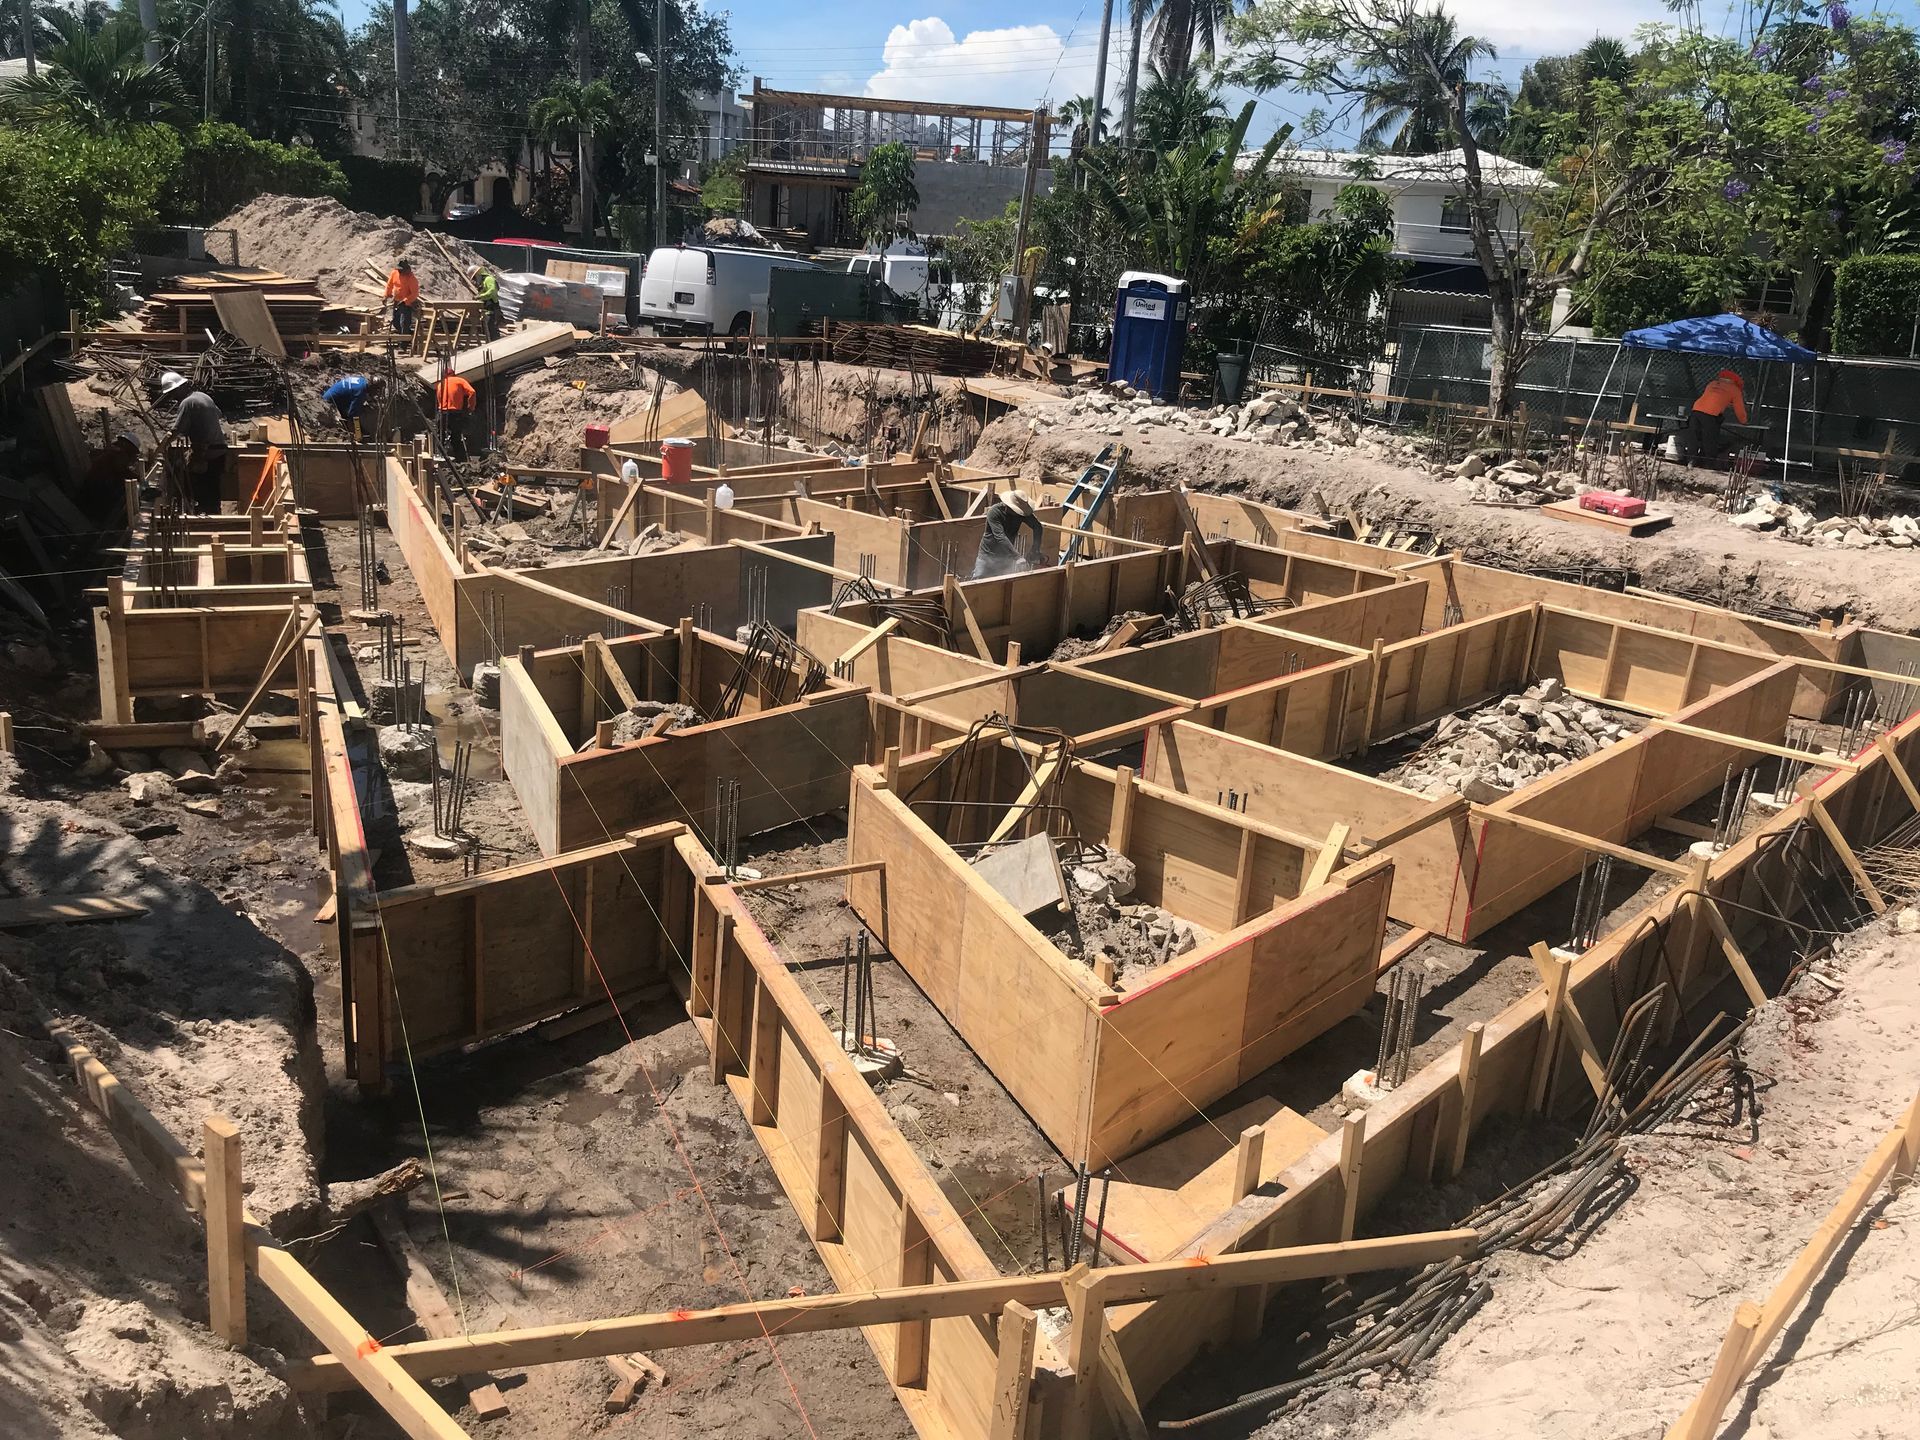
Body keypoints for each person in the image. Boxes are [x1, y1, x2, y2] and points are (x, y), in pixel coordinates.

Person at [155, 372, 230, 514]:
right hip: (219, 452)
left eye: (173, 393)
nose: (173, 397)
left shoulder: (187, 402)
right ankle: (212, 515)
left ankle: (197, 515)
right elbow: (218, 414)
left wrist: (161, 446)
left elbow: (176, 430)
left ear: (181, 387)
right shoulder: (203, 396)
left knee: (189, 481)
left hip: (207, 453)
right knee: (212, 492)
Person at [972, 489, 1045, 579]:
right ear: (1009, 506)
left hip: (1005, 558)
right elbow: (1000, 537)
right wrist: (1017, 557)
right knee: (978, 582)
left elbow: (1037, 527)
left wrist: (1035, 549)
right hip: (987, 556)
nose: (1019, 514)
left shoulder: (1021, 513)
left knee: (1001, 586)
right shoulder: (995, 512)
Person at [1681, 369, 1748, 466]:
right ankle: (1708, 464)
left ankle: (1691, 461)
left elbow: (1713, 398)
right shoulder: (1734, 389)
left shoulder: (1712, 384)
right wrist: (1744, 421)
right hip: (1710, 415)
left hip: (1696, 411)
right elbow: (1739, 410)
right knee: (1709, 440)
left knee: (1694, 438)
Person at [435, 371, 478, 460]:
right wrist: (471, 407)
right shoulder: (459, 381)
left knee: (440, 436)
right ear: (454, 374)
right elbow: (472, 392)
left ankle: (439, 456)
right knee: (456, 437)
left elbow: (439, 399)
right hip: (455, 413)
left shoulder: (440, 384)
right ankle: (460, 460)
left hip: (442, 412)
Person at [385, 258, 421, 334]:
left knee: (404, 323)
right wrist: (386, 295)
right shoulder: (394, 273)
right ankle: (407, 336)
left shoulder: (411, 278)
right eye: (399, 270)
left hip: (406, 305)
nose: (399, 271)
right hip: (397, 302)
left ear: (406, 269)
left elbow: (415, 293)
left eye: (401, 270)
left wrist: (405, 301)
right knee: (396, 323)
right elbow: (389, 285)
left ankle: (403, 343)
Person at [472, 267, 501, 340]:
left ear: (478, 274)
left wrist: (480, 297)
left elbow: (492, 292)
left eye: (474, 278)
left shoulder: (489, 279)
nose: (475, 281)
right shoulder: (483, 282)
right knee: (487, 331)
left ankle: (496, 347)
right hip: (487, 310)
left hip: (492, 310)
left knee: (492, 331)